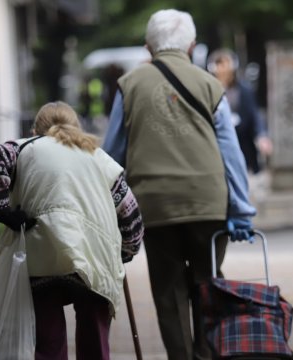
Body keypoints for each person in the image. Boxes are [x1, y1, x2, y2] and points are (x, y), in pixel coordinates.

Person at [102, 9, 256, 360]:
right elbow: (230, 154)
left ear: (147, 47)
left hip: (156, 207)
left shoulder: (129, 86)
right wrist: (242, 209)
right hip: (207, 202)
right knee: (207, 284)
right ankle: (206, 354)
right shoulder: (210, 84)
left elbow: (112, 155)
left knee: (169, 293)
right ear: (192, 45)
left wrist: (108, 209)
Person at [0, 101, 144, 360]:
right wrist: (125, 251)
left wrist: (2, 210)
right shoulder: (100, 158)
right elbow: (131, 216)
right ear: (76, 128)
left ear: (36, 129)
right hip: (93, 260)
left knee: (48, 344)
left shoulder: (25, 148)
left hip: (40, 257)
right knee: (94, 340)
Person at [207, 48, 273, 175]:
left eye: (226, 64)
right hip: (217, 144)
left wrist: (262, 135)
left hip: (242, 142)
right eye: (220, 64)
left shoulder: (244, 90)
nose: (223, 69)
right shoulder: (208, 90)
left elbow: (254, 114)